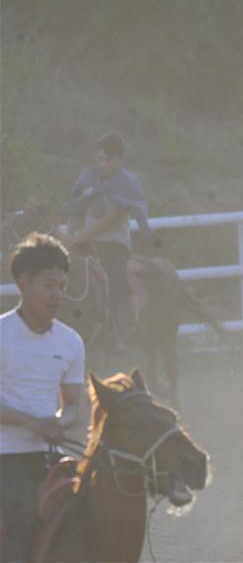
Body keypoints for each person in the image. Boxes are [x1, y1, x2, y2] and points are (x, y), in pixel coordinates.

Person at [1, 233, 85, 562]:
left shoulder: (71, 342)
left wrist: (59, 422)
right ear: (23, 283)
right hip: (5, 455)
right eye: (49, 285)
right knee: (22, 522)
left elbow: (74, 404)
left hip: (51, 456)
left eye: (62, 287)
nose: (57, 295)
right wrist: (31, 422)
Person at [64, 132, 148, 352]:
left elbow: (109, 219)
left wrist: (80, 237)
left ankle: (118, 331)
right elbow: (77, 209)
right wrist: (68, 236)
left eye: (106, 159)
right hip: (85, 242)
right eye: (98, 159)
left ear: (118, 160)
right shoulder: (88, 177)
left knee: (115, 279)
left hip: (113, 244)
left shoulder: (126, 183)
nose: (100, 164)